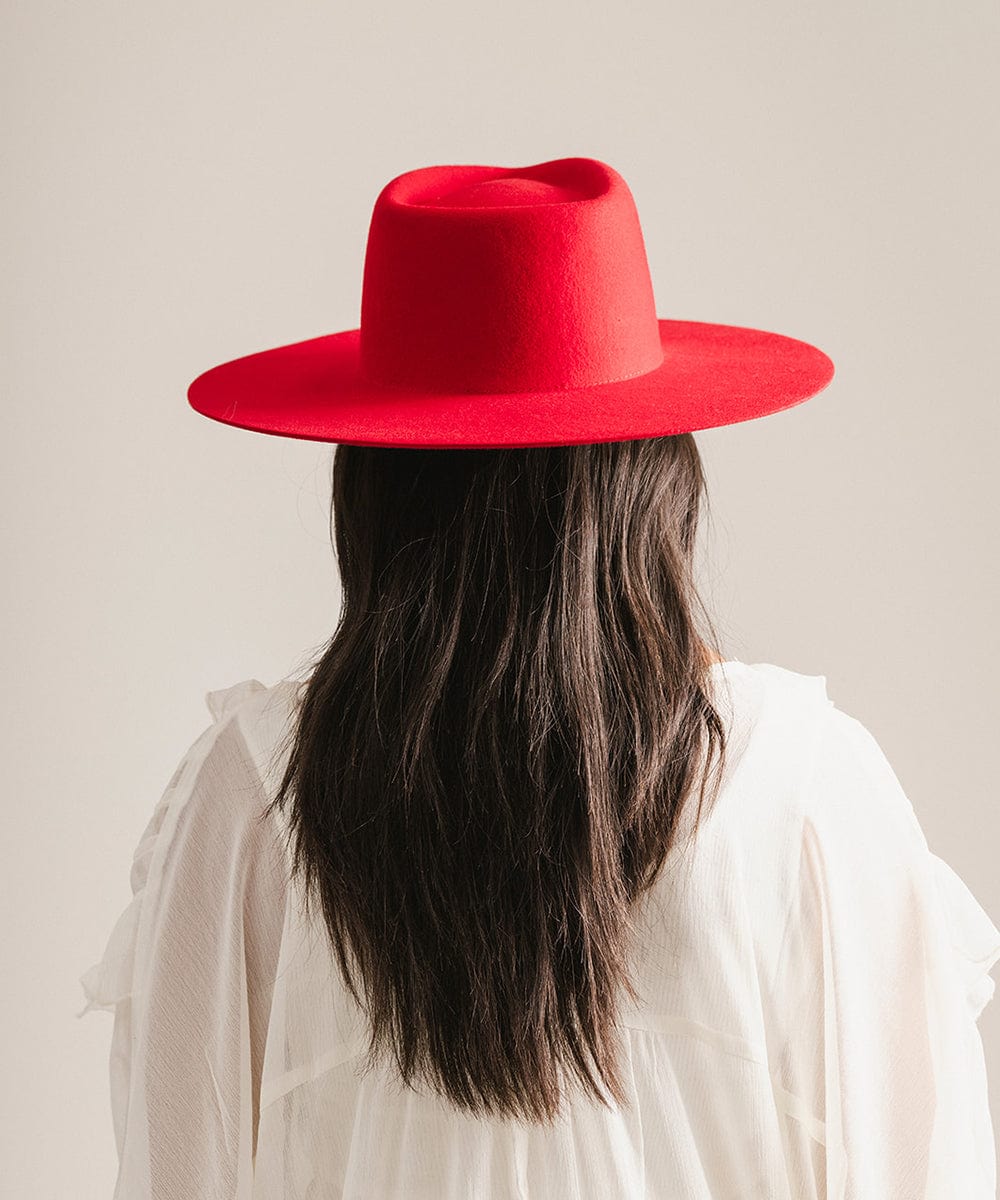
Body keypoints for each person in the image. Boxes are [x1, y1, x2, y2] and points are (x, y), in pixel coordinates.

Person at [78, 157, 1000, 1198]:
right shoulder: (800, 791)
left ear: (375, 485)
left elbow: (175, 1171)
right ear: (656, 482)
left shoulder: (255, 800)